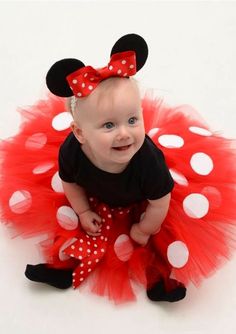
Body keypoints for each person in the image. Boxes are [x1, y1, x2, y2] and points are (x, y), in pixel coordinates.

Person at [1, 34, 236, 304]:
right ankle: (62, 266)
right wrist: (83, 210)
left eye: (133, 120)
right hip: (95, 198)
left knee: (158, 238)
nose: (124, 134)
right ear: (79, 132)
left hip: (143, 206)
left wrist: (145, 228)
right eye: (109, 126)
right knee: (68, 221)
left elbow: (159, 203)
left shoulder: (148, 162)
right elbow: (70, 183)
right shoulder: (71, 152)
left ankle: (161, 277)